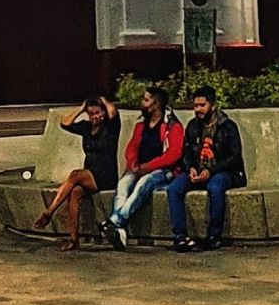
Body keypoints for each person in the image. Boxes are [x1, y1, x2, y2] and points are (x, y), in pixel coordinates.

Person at [31, 96, 121, 251]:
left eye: (97, 113)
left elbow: (113, 111)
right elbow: (64, 123)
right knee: (74, 193)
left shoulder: (111, 127)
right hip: (90, 174)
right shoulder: (86, 127)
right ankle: (73, 239)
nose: (94, 117)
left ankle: (49, 212)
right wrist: (81, 108)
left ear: (103, 113)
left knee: (75, 175)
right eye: (91, 113)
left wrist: (102, 100)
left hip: (105, 175)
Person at [165, 87, 246, 251]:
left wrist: (211, 170)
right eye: (195, 106)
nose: (198, 110)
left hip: (224, 172)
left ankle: (213, 236)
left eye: (202, 105)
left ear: (213, 105)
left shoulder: (228, 126)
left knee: (215, 186)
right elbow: (186, 152)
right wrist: (191, 169)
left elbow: (235, 157)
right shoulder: (193, 126)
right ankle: (180, 237)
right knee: (174, 188)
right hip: (198, 171)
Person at [104, 86, 184, 247]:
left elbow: (174, 153)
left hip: (163, 171)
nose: (143, 103)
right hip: (139, 168)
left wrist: (148, 167)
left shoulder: (172, 125)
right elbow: (132, 146)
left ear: (157, 103)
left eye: (146, 100)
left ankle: (115, 221)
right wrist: (133, 163)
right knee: (123, 184)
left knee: (143, 184)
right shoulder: (141, 125)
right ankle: (119, 230)